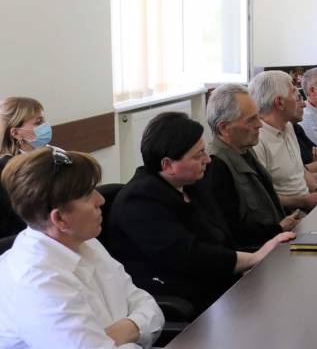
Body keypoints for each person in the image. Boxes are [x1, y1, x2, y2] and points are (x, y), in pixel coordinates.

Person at [108, 112, 294, 316]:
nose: (207, 160)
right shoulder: (139, 200)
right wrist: (253, 258)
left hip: (221, 287)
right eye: (198, 156)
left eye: (204, 151)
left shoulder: (192, 184)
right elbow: (189, 255)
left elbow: (222, 234)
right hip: (185, 299)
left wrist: (260, 248)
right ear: (168, 165)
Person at [0, 148, 164, 348]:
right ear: (59, 218)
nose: (101, 200)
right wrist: (134, 330)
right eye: (88, 195)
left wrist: (127, 329)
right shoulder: (37, 283)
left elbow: (148, 306)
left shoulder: (84, 241)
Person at [205, 84, 302, 250]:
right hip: (257, 254)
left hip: (276, 241)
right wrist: (278, 228)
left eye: (258, 116)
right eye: (251, 120)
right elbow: (230, 232)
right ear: (224, 128)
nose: (260, 124)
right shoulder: (216, 166)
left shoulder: (245, 149)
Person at [248, 71, 317, 211]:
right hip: (289, 213)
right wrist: (304, 201)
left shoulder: (288, 126)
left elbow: (300, 171)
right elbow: (263, 198)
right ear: (279, 102)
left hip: (306, 205)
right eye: (295, 93)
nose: (303, 103)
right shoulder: (257, 139)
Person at [0, 97, 51, 237]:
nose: (46, 126)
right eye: (38, 122)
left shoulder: (52, 152)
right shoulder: (6, 169)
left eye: (44, 120)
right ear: (16, 133)